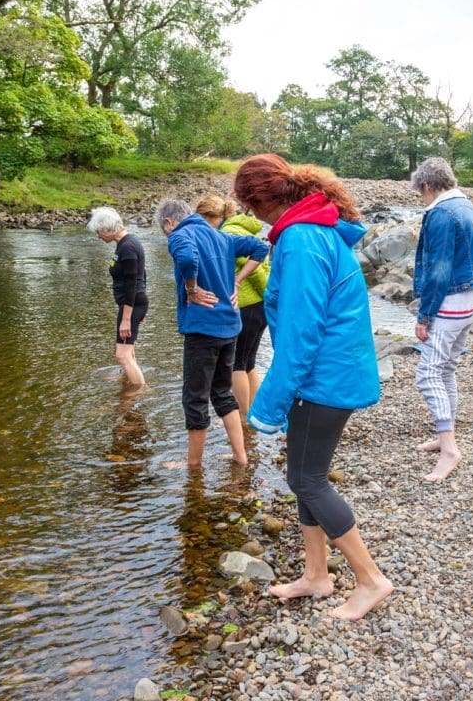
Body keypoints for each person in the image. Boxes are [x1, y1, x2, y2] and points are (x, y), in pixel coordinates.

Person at [234, 154, 393, 621]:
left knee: (307, 479)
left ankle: (371, 580)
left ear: (257, 200)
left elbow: (301, 335)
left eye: (246, 204)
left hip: (323, 378)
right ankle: (316, 575)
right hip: (332, 372)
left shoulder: (301, 239)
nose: (247, 212)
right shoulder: (314, 229)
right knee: (304, 474)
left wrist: (268, 405)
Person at [154, 198, 269, 469]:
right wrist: (236, 281)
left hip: (202, 328)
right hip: (229, 326)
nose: (167, 236)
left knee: (195, 397)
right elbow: (260, 248)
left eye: (164, 231)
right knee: (222, 393)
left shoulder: (180, 234)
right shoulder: (221, 236)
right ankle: (240, 456)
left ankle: (193, 465)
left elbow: (186, 258)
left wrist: (191, 289)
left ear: (169, 222)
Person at [410, 157, 473, 481]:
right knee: (446, 368)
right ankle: (443, 436)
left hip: (449, 303)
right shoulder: (467, 206)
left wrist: (424, 316)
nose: (421, 198)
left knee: (427, 374)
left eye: (419, 192)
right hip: (468, 301)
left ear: (426, 185)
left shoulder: (441, 213)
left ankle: (449, 448)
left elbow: (439, 270)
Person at [195, 194, 269, 414]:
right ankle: (254, 412)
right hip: (258, 306)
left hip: (247, 305)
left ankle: (243, 416)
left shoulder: (228, 232)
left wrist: (239, 281)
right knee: (249, 363)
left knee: (237, 364)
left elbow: (254, 268)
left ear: (212, 217)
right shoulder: (242, 229)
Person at [87, 206, 147, 386]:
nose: (98, 236)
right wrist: (139, 310)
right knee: (128, 352)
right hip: (134, 304)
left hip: (132, 304)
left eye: (99, 232)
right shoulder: (126, 244)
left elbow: (132, 283)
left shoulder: (128, 247)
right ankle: (128, 381)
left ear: (107, 229)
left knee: (122, 355)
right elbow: (142, 275)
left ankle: (140, 390)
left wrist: (127, 319)